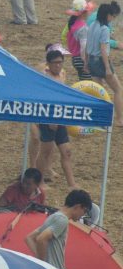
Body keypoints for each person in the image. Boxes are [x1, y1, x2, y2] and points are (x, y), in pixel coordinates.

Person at [35, 48, 78, 188]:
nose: (58, 66)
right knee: (45, 151)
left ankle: (72, 183)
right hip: (48, 117)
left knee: (67, 152)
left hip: (60, 116)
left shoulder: (63, 73)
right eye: (55, 63)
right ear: (48, 64)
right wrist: (49, 120)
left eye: (60, 62)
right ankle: (39, 181)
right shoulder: (45, 77)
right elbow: (44, 100)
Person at [26, 189, 93, 269]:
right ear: (78, 206)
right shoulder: (62, 220)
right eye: (85, 210)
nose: (83, 214)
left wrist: (40, 259)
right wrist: (43, 263)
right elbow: (41, 238)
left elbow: (29, 238)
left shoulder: (54, 216)